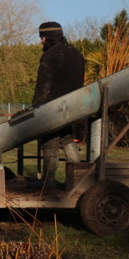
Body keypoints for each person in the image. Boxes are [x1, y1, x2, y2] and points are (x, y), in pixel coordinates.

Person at [31, 21, 85, 191]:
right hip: (73, 106)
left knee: (49, 144)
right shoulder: (76, 53)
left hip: (53, 108)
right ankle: (77, 180)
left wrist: (37, 108)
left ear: (47, 38)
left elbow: (43, 86)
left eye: (42, 38)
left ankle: (48, 182)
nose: (41, 42)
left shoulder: (51, 55)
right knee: (67, 139)